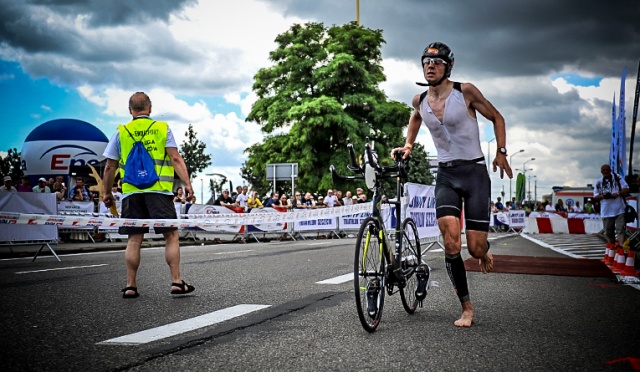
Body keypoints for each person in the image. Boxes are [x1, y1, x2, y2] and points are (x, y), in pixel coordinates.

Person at [392, 42, 512, 327]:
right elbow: (417, 116)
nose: (430, 66)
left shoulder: (465, 91)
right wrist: (409, 143)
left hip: (474, 173)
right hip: (446, 174)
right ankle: (466, 307)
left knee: (475, 247)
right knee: (450, 242)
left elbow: (497, 117)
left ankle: (484, 248)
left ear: (449, 66)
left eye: (436, 62)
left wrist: (501, 152)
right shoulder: (419, 100)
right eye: (426, 62)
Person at [102, 91, 195, 299]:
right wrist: (187, 184)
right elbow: (175, 159)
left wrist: (106, 193)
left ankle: (130, 285)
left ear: (130, 110)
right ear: (150, 108)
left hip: (131, 193)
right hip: (159, 190)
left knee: (134, 239)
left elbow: (109, 167)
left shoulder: (121, 131)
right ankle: (176, 282)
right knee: (170, 235)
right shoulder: (162, 128)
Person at [594, 164, 629, 248]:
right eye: (604, 170)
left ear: (610, 170)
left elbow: (626, 188)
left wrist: (617, 194)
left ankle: (621, 248)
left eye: (607, 169)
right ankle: (612, 248)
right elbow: (595, 196)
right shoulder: (598, 182)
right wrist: (603, 196)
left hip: (619, 209)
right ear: (601, 172)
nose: (605, 171)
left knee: (620, 229)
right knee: (608, 232)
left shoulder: (617, 178)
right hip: (606, 211)